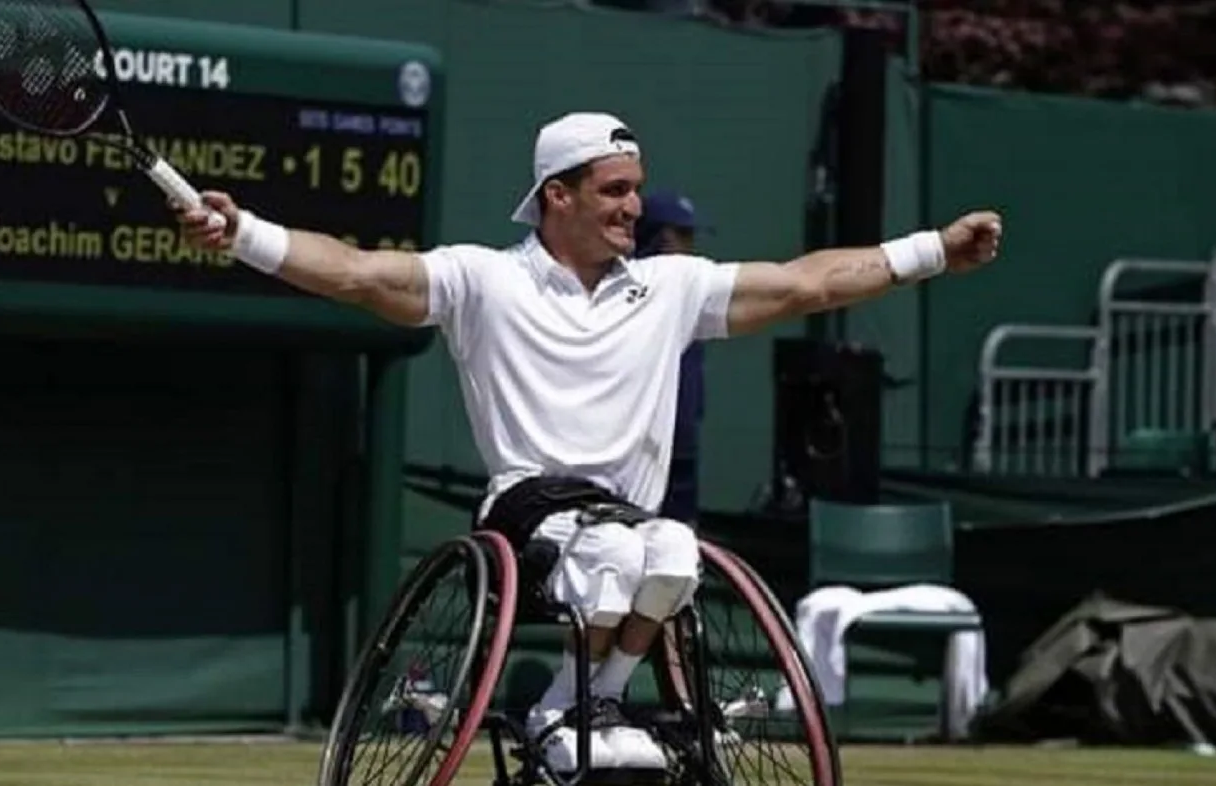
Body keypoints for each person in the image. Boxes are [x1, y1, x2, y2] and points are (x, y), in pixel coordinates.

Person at [176, 112, 1002, 772]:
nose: (633, 208)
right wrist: (244, 230)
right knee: (617, 553)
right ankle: (566, 711)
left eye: (636, 190)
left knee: (675, 551)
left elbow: (806, 282)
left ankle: (588, 697)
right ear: (555, 195)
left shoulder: (670, 287)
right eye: (613, 190)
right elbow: (354, 272)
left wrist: (934, 251)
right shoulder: (481, 278)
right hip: (526, 515)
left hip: (630, 528)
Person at [635, 190, 707, 523]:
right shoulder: (627, 291)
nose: (690, 244)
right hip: (637, 448)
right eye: (684, 235)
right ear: (662, 236)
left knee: (678, 542)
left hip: (681, 443)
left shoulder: (690, 289)